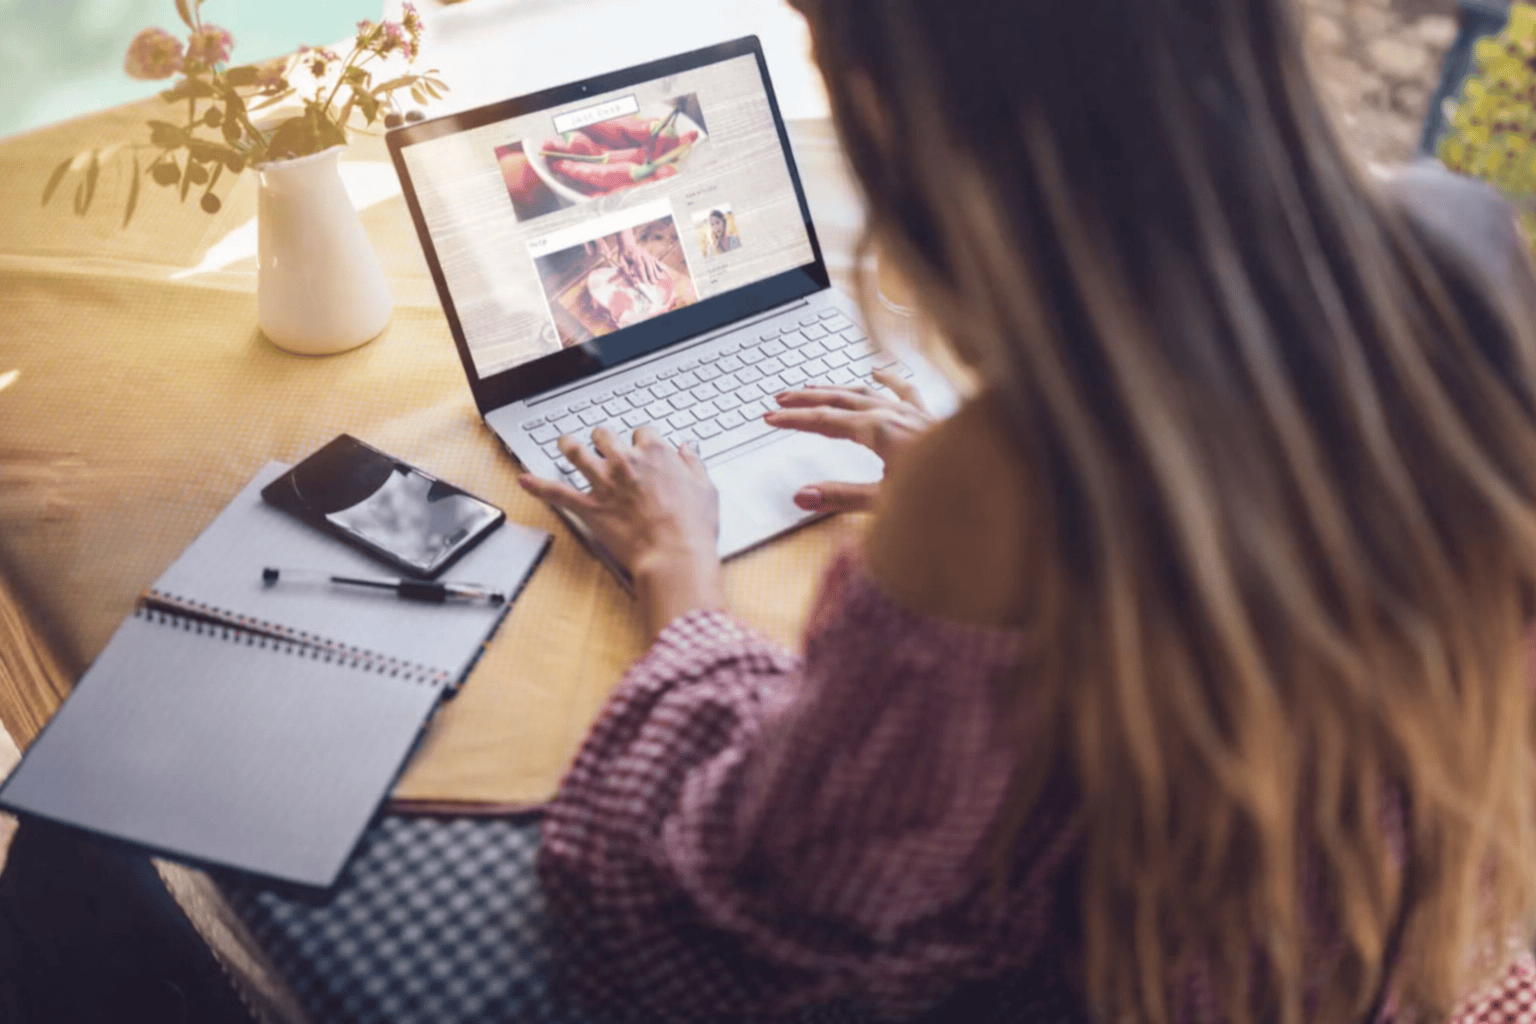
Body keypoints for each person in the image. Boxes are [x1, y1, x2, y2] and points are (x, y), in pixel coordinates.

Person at [520, 0, 1536, 1021]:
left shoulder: (999, 477)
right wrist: (1039, 510)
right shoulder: (1465, 252)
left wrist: (679, 563)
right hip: (1417, 957)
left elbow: (774, 892)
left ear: (928, 122)